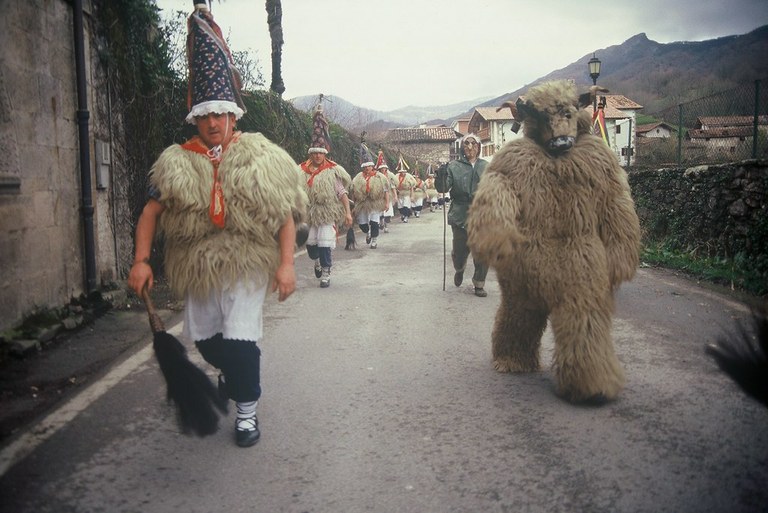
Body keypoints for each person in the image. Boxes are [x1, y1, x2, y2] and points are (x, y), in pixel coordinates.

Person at [127, 4, 306, 447]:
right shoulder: (176, 161)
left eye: (219, 114)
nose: (212, 123)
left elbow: (284, 216)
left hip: (246, 264)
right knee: (207, 343)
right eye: (205, 115)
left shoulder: (261, 156)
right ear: (196, 118)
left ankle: (246, 412)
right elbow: (150, 213)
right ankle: (231, 372)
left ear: (232, 115)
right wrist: (142, 261)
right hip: (199, 268)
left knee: (242, 342)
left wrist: (286, 264)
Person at [300, 103, 353, 287]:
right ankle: (316, 261)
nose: (317, 156)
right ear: (311, 154)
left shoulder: (332, 172)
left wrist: (348, 213)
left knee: (324, 243)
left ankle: (326, 272)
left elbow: (342, 193)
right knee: (311, 245)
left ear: (324, 154)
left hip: (327, 213)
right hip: (310, 213)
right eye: (314, 153)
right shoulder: (302, 171)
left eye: (320, 153)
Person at [435, 133, 489, 297]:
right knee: (460, 252)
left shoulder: (487, 166)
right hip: (460, 213)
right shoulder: (454, 166)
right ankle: (459, 269)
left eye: (473, 144)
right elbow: (443, 188)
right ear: (462, 147)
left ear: (478, 147)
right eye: (466, 144)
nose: (470, 147)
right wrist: (441, 176)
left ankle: (479, 283)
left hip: (482, 213)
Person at [349, 145, 389, 249]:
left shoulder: (380, 177)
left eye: (369, 166)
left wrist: (387, 203)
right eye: (365, 167)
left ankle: (374, 241)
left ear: (372, 166)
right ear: (363, 167)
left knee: (374, 222)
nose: (367, 168)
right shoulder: (358, 178)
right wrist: (353, 205)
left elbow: (386, 190)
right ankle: (368, 232)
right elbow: (353, 191)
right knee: (363, 224)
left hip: (375, 203)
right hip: (362, 204)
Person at [376, 152, 398, 233]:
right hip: (379, 196)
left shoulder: (390, 176)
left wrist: (395, 196)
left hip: (388, 195)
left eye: (384, 168)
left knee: (387, 212)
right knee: (380, 211)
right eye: (381, 168)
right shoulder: (376, 175)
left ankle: (386, 226)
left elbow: (393, 186)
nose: (383, 169)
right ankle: (381, 222)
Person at [395, 156, 417, 223]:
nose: (402, 173)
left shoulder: (409, 177)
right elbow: (394, 186)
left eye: (403, 172)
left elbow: (412, 187)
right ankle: (403, 215)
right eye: (401, 172)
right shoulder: (396, 176)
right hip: (399, 193)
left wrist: (412, 195)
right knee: (400, 207)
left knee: (406, 206)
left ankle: (406, 217)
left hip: (407, 193)